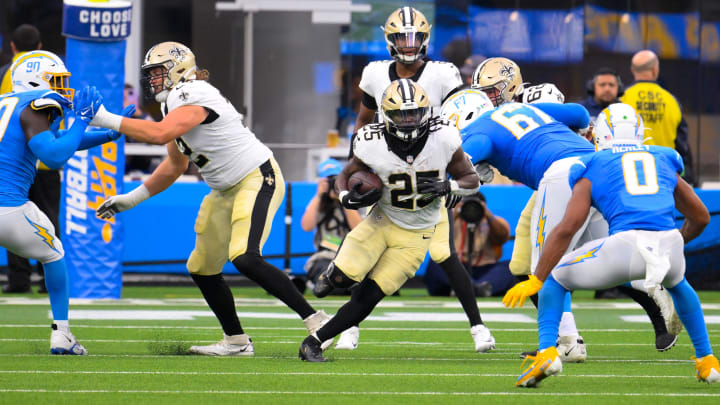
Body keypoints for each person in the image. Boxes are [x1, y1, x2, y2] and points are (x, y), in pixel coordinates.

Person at [92, 41, 332, 356]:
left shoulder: (193, 92)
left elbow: (159, 134)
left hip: (256, 177)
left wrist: (105, 118)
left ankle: (318, 321)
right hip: (223, 189)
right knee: (202, 267)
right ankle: (236, 341)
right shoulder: (172, 103)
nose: (152, 79)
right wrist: (132, 199)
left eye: (157, 71)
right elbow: (175, 165)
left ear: (178, 68)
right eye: (149, 73)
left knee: (245, 256)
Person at [470, 59, 678, 356]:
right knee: (574, 256)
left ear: (511, 85)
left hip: (558, 177)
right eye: (483, 92)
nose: (487, 98)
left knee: (547, 264)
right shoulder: (502, 113)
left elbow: (578, 115)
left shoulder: (530, 100)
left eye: (492, 91)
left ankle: (567, 341)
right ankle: (651, 297)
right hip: (571, 175)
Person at [505, 103, 719, 387]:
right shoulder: (664, 157)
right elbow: (701, 217)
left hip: (624, 246)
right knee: (679, 284)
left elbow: (567, 228)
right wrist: (676, 242)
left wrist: (538, 277)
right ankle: (707, 361)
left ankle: (547, 353)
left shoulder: (592, 163)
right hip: (668, 243)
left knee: (555, 279)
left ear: (600, 134)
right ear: (642, 133)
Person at [341, 6, 494, 354]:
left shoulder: (442, 73)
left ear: (425, 39)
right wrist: (358, 163)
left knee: (444, 253)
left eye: (414, 38)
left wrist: (462, 171)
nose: (408, 45)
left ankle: (479, 327)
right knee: (367, 254)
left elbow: (464, 119)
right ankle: (350, 326)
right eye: (401, 38)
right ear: (389, 40)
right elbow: (362, 121)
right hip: (387, 173)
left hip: (430, 173)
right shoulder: (375, 73)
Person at [298, 79, 480, 362]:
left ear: (426, 112)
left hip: (417, 235)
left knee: (369, 296)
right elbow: (347, 174)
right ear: (385, 114)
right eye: (400, 114)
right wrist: (346, 196)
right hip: (381, 221)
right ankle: (332, 273)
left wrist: (450, 187)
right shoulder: (371, 141)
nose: (408, 120)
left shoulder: (443, 137)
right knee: (340, 279)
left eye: (414, 113)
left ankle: (314, 342)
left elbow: (472, 179)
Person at [0, 50, 133, 354]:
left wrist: (106, 135)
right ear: (36, 79)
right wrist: (83, 120)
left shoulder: (8, 103)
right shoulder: (35, 106)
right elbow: (55, 155)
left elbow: (59, 140)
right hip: (7, 208)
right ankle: (62, 334)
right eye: (57, 80)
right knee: (53, 253)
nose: (62, 87)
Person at [1, 24, 53, 294]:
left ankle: (18, 280)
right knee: (48, 217)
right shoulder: (52, 75)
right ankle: (48, 278)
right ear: (40, 46)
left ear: (12, 46)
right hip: (43, 159)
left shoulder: (5, 74)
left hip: (11, 162)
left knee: (12, 216)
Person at [621, 50, 694, 185]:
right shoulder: (672, 101)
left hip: (631, 174)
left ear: (632, 70)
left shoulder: (622, 99)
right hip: (665, 174)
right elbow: (682, 146)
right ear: (655, 70)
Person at [424, 191, 514, 297]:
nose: (472, 210)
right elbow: (434, 235)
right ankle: (473, 288)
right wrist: (455, 213)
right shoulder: (451, 220)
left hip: (485, 271)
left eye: (476, 206)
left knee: (510, 266)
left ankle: (472, 288)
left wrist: (487, 215)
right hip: (456, 269)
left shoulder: (494, 221)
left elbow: (502, 237)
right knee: (437, 261)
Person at [301, 158, 362, 296]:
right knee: (331, 283)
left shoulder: (353, 200)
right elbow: (306, 226)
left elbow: (359, 228)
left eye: (336, 180)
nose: (333, 184)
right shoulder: (318, 203)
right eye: (329, 181)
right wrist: (319, 195)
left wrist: (344, 196)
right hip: (325, 257)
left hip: (351, 257)